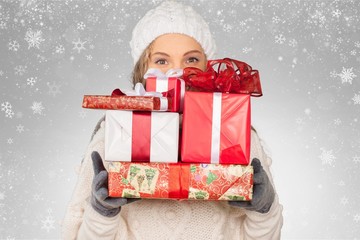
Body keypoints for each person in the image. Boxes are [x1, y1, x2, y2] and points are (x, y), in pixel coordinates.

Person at [62, 1, 283, 239]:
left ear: (209, 68)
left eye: (191, 60)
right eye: (161, 61)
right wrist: (101, 213)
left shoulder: (237, 133)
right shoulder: (115, 132)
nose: (178, 72)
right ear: (142, 70)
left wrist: (264, 210)